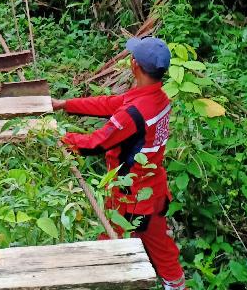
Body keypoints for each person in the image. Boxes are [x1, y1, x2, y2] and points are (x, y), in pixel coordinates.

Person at [52, 36, 187, 290]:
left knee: (111, 246)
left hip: (130, 195)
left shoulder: (134, 113)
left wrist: (60, 137)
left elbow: (95, 143)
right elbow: (108, 104)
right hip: (153, 188)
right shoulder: (157, 98)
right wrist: (64, 105)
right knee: (162, 251)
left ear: (134, 65)